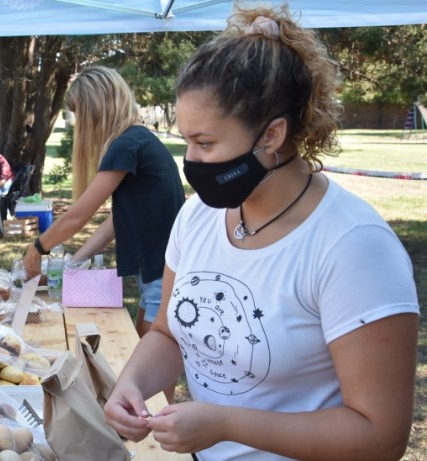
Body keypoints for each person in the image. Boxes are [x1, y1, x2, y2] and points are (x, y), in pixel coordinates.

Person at [104, 7, 419, 460]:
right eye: (186, 140)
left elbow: (380, 436)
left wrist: (227, 424)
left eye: (206, 143)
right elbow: (169, 333)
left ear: (271, 135)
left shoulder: (354, 247)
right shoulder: (196, 218)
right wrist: (131, 384)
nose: (190, 161)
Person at [22, 66, 185, 341]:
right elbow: (117, 220)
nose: (77, 122)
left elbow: (78, 216)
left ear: (95, 110)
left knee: (150, 372)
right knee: (138, 360)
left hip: (161, 271)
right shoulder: (137, 139)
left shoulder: (127, 144)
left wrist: (37, 248)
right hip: (157, 270)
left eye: (79, 113)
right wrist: (77, 260)